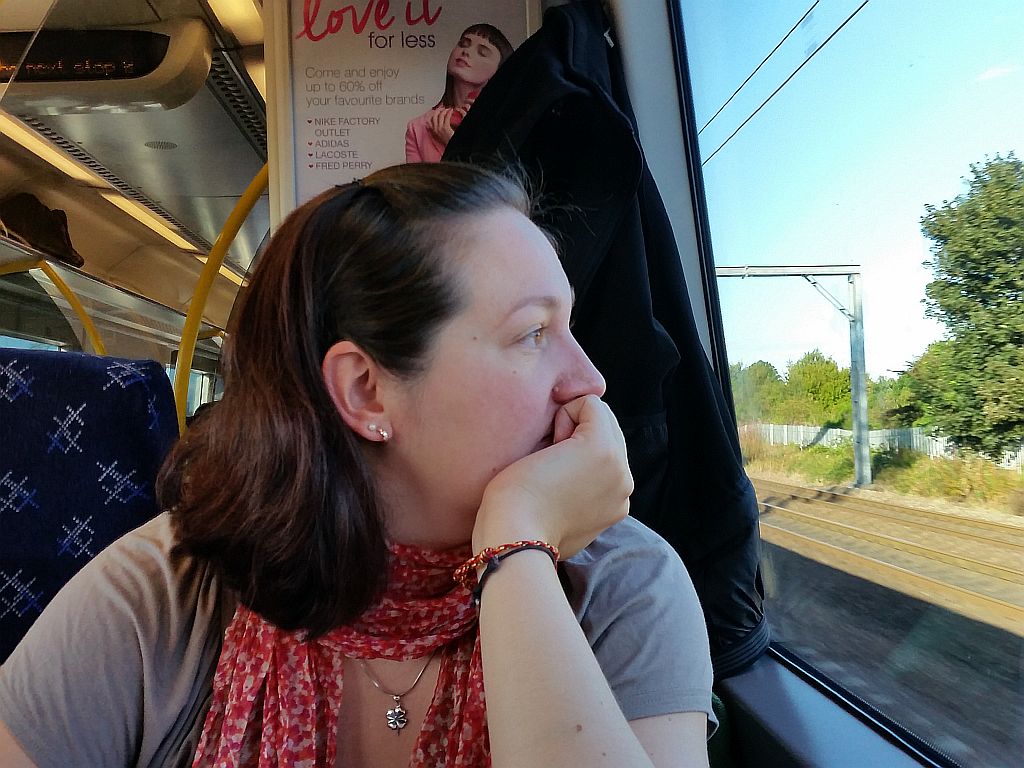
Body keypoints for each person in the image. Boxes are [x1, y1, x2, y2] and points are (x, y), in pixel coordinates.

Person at [0, 162, 715, 767]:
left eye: (569, 327)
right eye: (533, 333)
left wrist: (516, 549)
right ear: (366, 390)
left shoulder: (622, 585)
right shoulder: (166, 594)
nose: (590, 380)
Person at [405, 25, 514, 163]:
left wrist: (453, 145)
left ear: (500, 71)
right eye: (463, 44)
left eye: (482, 52)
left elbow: (499, 175)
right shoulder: (418, 127)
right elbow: (416, 178)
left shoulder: (505, 123)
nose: (466, 52)